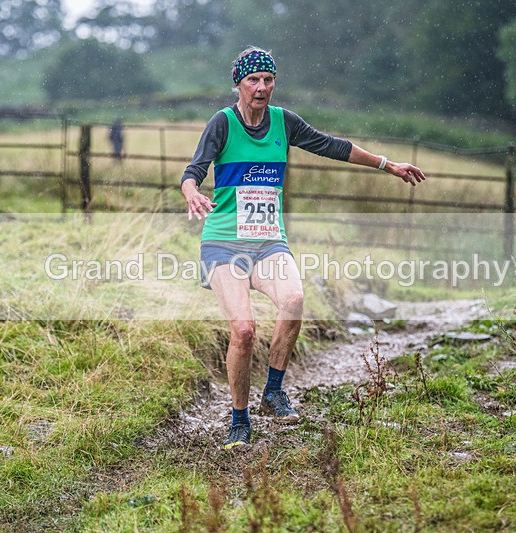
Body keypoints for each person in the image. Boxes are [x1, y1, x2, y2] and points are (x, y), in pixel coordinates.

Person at [180, 46, 426, 449]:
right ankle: (239, 420)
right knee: (243, 331)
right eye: (253, 81)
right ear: (238, 85)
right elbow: (194, 171)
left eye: (268, 80)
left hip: (269, 241)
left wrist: (388, 164)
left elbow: (333, 146)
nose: (261, 88)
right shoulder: (222, 123)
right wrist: (191, 192)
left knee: (293, 299)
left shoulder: (283, 122)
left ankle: (273, 391)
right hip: (223, 243)